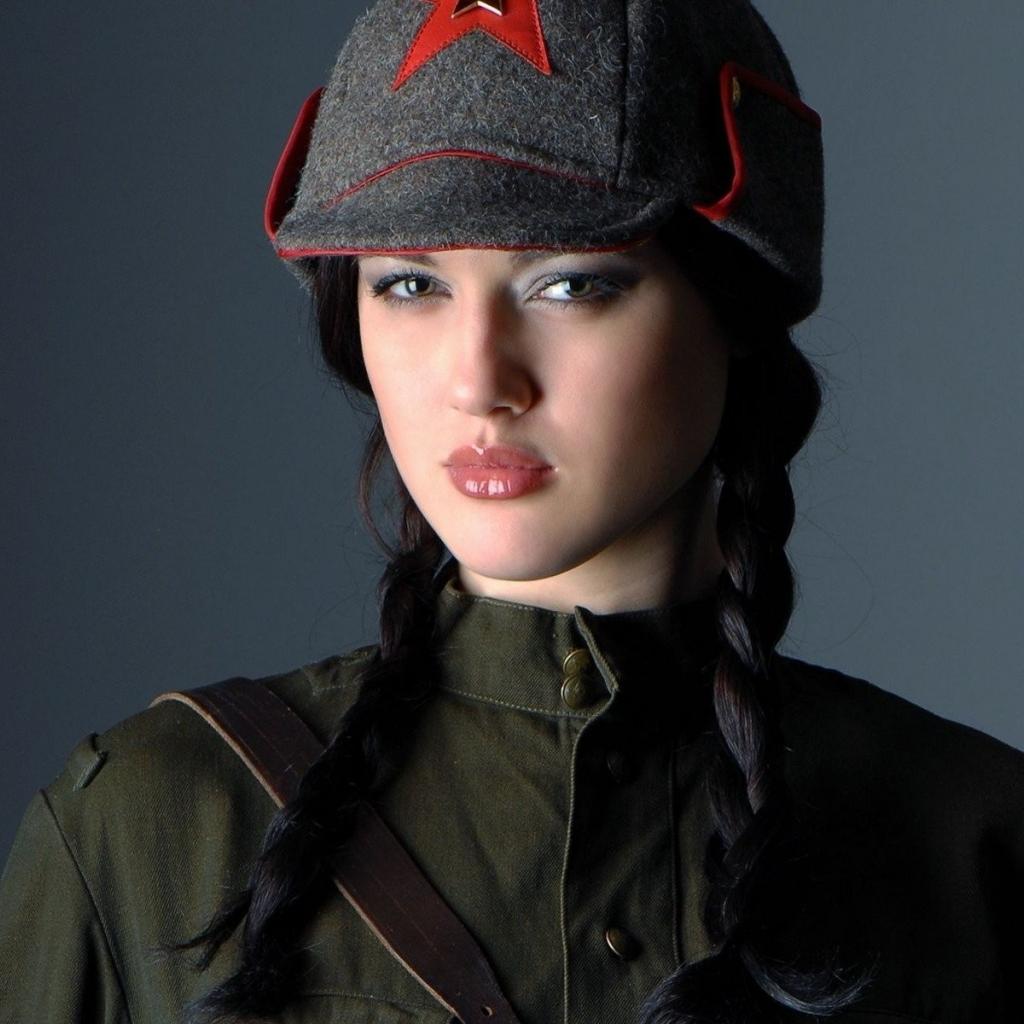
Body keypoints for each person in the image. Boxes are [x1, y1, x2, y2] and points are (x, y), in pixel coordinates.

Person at [1, 1, 1021, 1022]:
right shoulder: (140, 832)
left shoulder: (977, 850)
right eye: (410, 284)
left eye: (569, 285)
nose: (479, 382)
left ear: (737, 302)